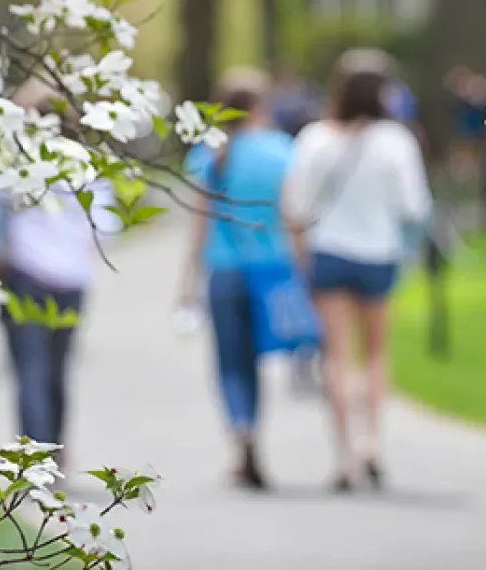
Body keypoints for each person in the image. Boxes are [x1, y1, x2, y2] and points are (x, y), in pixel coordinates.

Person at [282, 52, 432, 492]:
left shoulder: (315, 138)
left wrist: (300, 256)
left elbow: (295, 205)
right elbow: (414, 205)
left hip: (328, 251)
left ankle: (344, 454)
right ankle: (371, 443)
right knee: (375, 353)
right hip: (378, 252)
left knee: (337, 355)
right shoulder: (396, 141)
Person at [0, 83, 120, 473]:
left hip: (25, 278)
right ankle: (57, 452)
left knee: (29, 369)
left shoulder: (13, 161)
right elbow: (108, 226)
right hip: (72, 281)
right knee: (56, 370)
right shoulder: (85, 162)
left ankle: (34, 463)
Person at [179, 67, 294, 491]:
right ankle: (252, 431)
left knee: (230, 362)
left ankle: (241, 432)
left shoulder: (208, 153)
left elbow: (198, 225)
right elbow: (291, 213)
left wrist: (186, 283)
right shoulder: (281, 150)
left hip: (222, 270)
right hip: (270, 268)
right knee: (256, 362)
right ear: (261, 105)